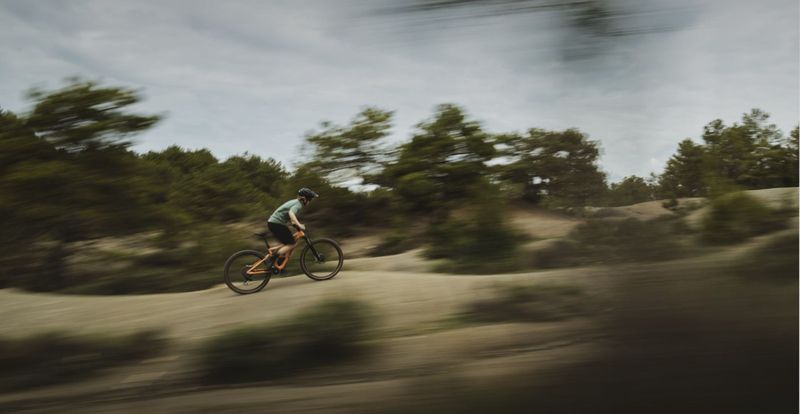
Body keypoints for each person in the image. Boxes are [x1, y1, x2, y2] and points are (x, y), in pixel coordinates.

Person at [266, 187, 318, 264]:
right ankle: (273, 258)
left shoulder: (295, 202)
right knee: (292, 244)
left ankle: (279, 263)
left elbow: (289, 216)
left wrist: (294, 224)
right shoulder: (298, 204)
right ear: (304, 199)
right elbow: (291, 213)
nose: (309, 202)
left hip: (274, 223)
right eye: (309, 199)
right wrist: (299, 225)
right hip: (276, 223)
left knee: (287, 243)